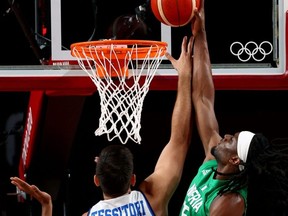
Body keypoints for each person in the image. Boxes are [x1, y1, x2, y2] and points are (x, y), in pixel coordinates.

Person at [179, 1, 288, 216]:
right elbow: (203, 99)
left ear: (235, 160)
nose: (226, 135)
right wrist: (200, 34)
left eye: (231, 140)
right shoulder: (212, 166)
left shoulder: (231, 201)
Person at [82, 35, 194, 216]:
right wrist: (184, 75)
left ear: (96, 180)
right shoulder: (151, 198)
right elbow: (180, 140)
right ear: (133, 179)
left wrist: (47, 206)